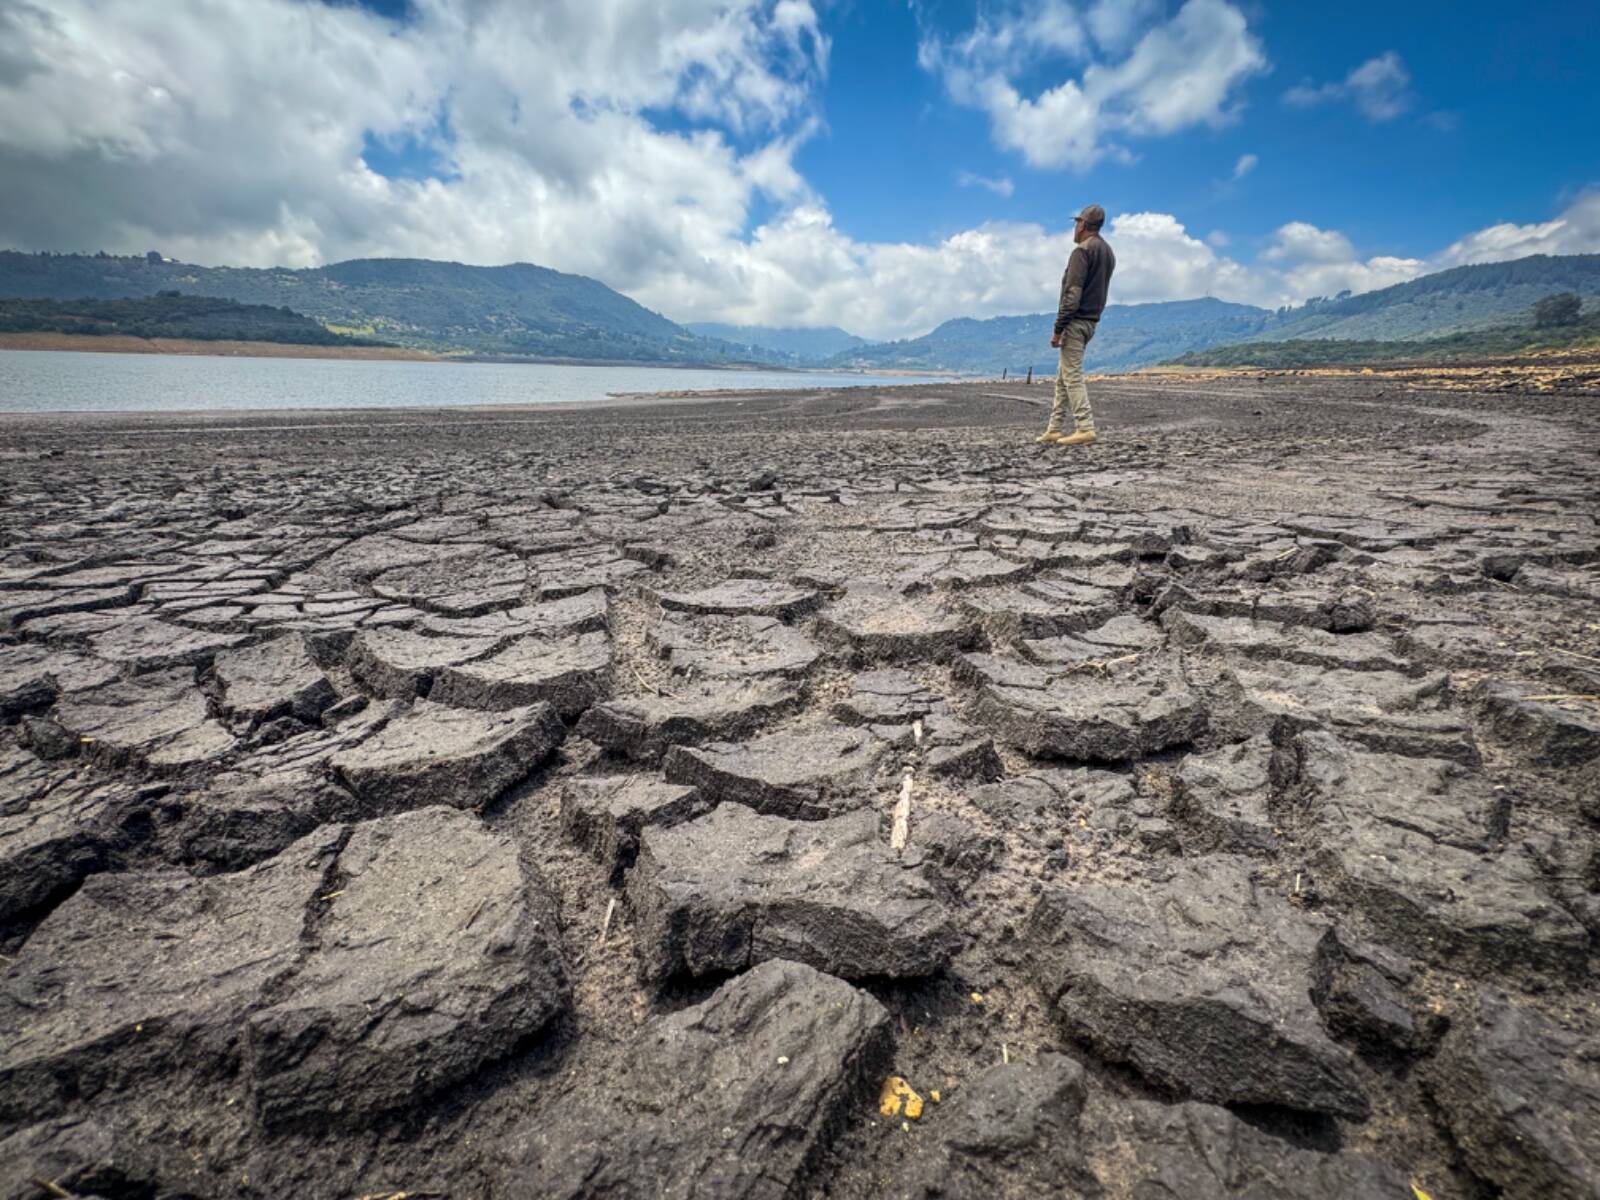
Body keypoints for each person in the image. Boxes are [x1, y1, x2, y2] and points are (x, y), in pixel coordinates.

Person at [1037, 204, 1115, 448]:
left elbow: (1072, 293)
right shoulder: (1107, 251)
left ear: (1082, 224)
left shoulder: (1082, 251)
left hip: (1076, 321)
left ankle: (1085, 427)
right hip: (1091, 322)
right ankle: (1055, 428)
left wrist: (1058, 329)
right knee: (1063, 377)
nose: (1074, 228)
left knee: (1071, 377)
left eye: (1076, 223)